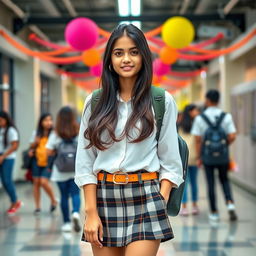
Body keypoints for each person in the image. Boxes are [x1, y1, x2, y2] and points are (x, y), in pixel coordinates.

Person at [75, 24, 183, 256]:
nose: (126, 59)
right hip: (104, 197)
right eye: (119, 53)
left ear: (144, 56)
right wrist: (91, 212)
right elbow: (85, 162)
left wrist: (160, 202)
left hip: (146, 195)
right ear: (110, 59)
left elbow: (171, 161)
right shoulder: (94, 102)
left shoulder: (161, 100)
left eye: (134, 52)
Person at [191, 89, 237, 222]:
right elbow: (233, 135)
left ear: (207, 100)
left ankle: (214, 212)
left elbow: (198, 140)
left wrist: (199, 157)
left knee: (210, 183)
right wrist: (223, 145)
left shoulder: (200, 118)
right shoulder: (226, 116)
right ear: (218, 100)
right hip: (222, 156)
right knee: (224, 180)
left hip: (207, 156)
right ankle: (230, 203)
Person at [46, 106, 81, 233]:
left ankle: (66, 223)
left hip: (60, 170)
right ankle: (76, 213)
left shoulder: (56, 132)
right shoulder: (78, 130)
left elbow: (48, 151)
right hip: (75, 169)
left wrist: (57, 150)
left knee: (64, 196)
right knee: (76, 193)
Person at [29, 113, 57, 215]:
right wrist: (34, 143)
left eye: (50, 120)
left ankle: (53, 200)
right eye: (46, 120)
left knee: (43, 182)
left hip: (48, 162)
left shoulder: (54, 133)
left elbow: (57, 147)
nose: (48, 122)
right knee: (36, 183)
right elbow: (31, 146)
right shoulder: (36, 133)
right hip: (36, 161)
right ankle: (37, 207)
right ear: (41, 122)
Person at [179, 104, 200, 216]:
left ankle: (185, 207)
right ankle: (195, 206)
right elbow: (198, 141)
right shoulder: (197, 124)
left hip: (183, 157)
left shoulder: (179, 125)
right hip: (194, 157)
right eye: (195, 110)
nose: (197, 112)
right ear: (190, 112)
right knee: (194, 182)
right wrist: (199, 156)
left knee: (185, 184)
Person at [0, 111, 22, 214]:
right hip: (1, 157)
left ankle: (15, 201)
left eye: (1, 120)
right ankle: (14, 200)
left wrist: (3, 156)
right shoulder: (1, 130)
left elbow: (14, 146)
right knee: (4, 181)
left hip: (8, 158)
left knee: (7, 180)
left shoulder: (11, 130)